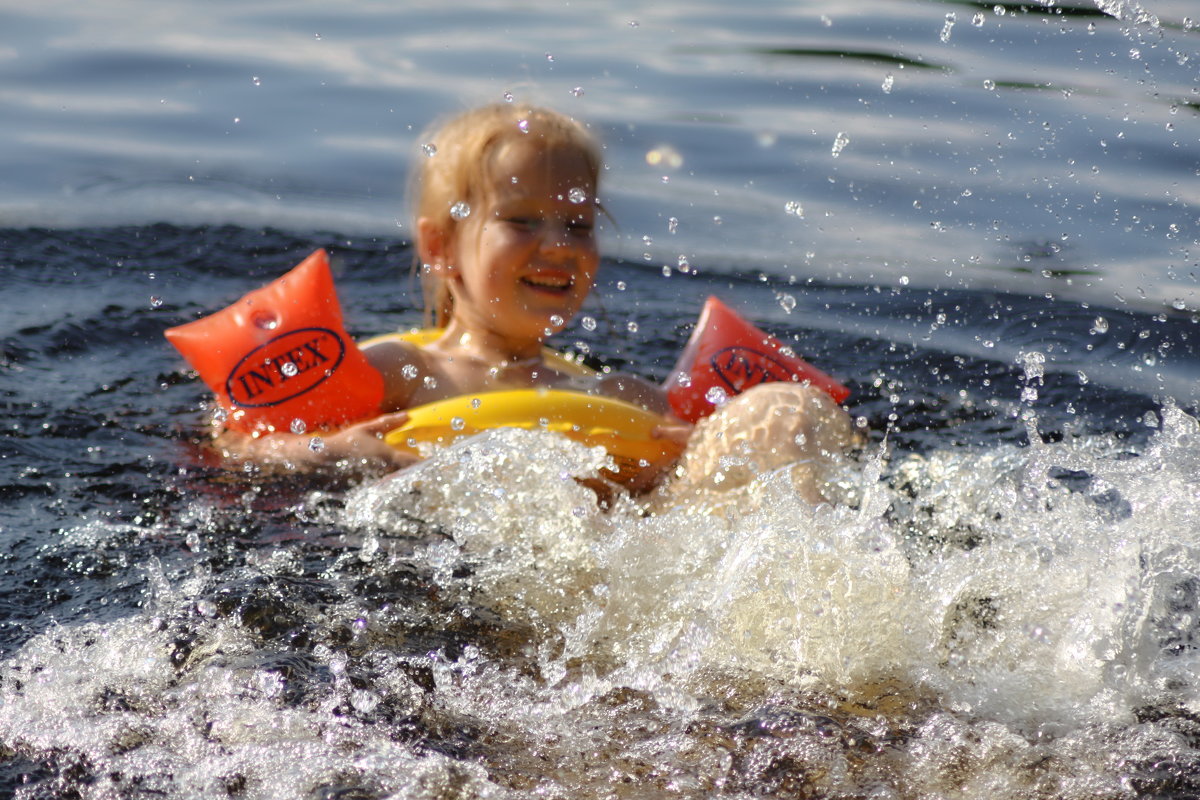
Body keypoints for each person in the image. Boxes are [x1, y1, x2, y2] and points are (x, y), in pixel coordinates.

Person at [216, 102, 857, 501]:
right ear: (440, 247)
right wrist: (340, 450)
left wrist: (680, 459)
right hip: (475, 589)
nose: (559, 246)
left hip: (625, 578)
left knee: (784, 410)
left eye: (578, 225)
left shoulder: (625, 397)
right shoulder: (400, 373)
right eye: (522, 221)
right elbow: (241, 448)